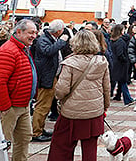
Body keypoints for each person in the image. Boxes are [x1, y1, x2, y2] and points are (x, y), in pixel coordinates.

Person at [47, 29, 110, 161]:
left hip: (71, 112)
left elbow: (61, 90)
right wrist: (105, 106)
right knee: (90, 149)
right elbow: (106, 88)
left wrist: (59, 98)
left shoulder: (70, 63)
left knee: (62, 147)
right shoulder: (102, 61)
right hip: (94, 111)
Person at [0, 19, 38, 161]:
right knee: (2, 143)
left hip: (23, 105)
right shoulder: (8, 51)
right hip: (10, 107)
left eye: (35, 32)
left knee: (24, 139)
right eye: (31, 32)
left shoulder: (22, 48)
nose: (34, 36)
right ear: (19, 32)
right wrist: (6, 107)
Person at [31, 19, 69, 142]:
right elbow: (48, 51)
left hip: (51, 76)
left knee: (46, 105)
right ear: (58, 31)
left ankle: (40, 129)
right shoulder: (43, 39)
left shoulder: (49, 38)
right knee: (42, 106)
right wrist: (62, 42)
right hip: (46, 78)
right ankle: (36, 132)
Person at [109, 24, 134, 105]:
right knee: (123, 81)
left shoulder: (113, 40)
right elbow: (120, 54)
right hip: (121, 64)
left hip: (115, 63)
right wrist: (126, 60)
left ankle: (118, 95)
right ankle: (128, 99)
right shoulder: (120, 41)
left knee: (120, 81)